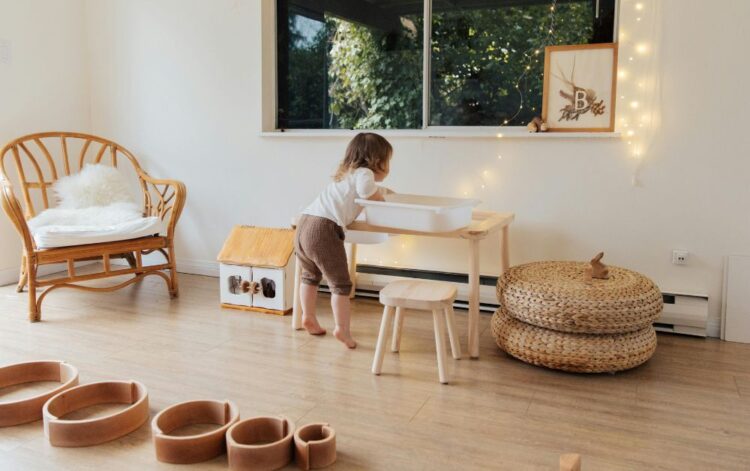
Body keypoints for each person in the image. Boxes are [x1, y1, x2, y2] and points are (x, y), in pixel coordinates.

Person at [294, 132, 393, 348]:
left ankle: (308, 317)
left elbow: (358, 194)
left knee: (310, 275)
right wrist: (380, 197)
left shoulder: (347, 174)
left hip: (305, 224)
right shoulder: (364, 173)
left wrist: (381, 191)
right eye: (388, 161)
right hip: (323, 229)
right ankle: (342, 329)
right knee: (340, 284)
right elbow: (367, 192)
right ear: (377, 160)